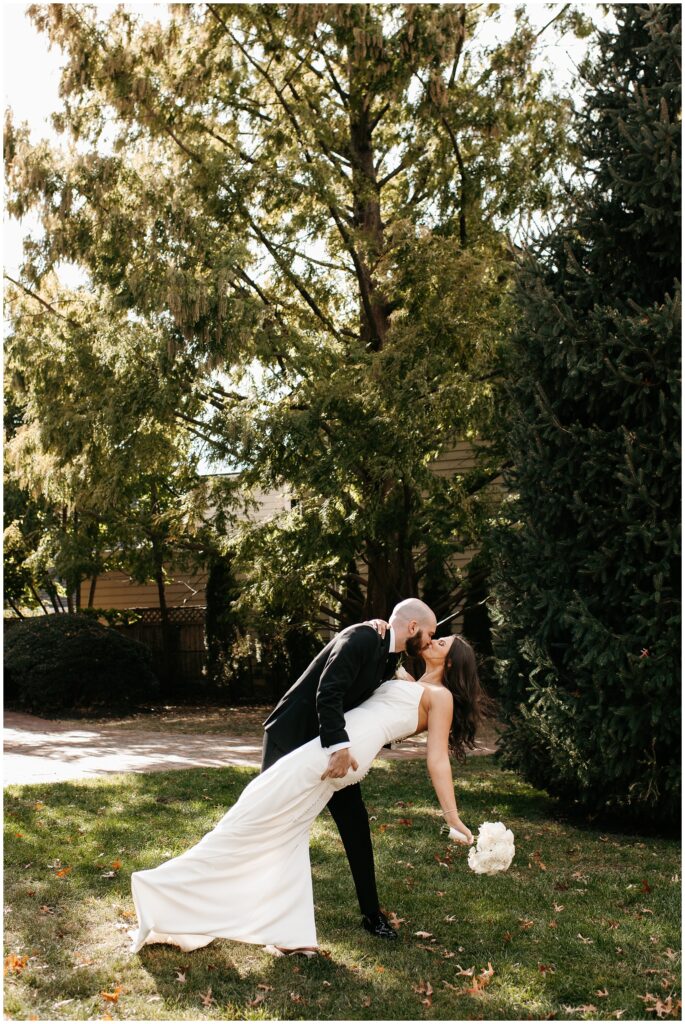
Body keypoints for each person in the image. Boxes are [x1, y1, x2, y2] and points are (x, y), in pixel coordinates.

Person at [128, 626, 494, 958]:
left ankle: (158, 891)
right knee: (285, 831)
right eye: (433, 635)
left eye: (441, 641)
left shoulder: (440, 697)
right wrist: (378, 628)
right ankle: (291, 933)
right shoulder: (404, 676)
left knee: (248, 819)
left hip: (336, 756)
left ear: (452, 661)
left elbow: (437, 761)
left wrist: (452, 816)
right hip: (330, 750)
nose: (432, 640)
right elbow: (373, 665)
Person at [261, 598, 437, 940]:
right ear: (413, 627)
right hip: (291, 738)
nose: (429, 641)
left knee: (355, 823)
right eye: (430, 634)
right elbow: (328, 693)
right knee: (271, 824)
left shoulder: (389, 656)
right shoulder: (360, 637)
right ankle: (265, 909)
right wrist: (340, 747)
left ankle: (372, 914)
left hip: (328, 751)